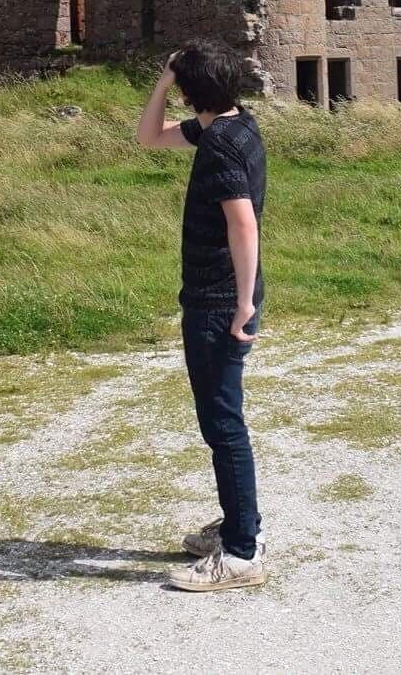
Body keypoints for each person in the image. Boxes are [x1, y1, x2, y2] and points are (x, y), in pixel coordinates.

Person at [136, 41, 268, 592]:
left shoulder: (218, 145)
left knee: (221, 422)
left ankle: (242, 553)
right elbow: (149, 138)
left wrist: (242, 302)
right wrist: (167, 83)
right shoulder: (234, 125)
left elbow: (242, 224)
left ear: (194, 92)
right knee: (222, 418)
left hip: (218, 301)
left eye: (180, 84)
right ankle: (239, 527)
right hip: (220, 294)